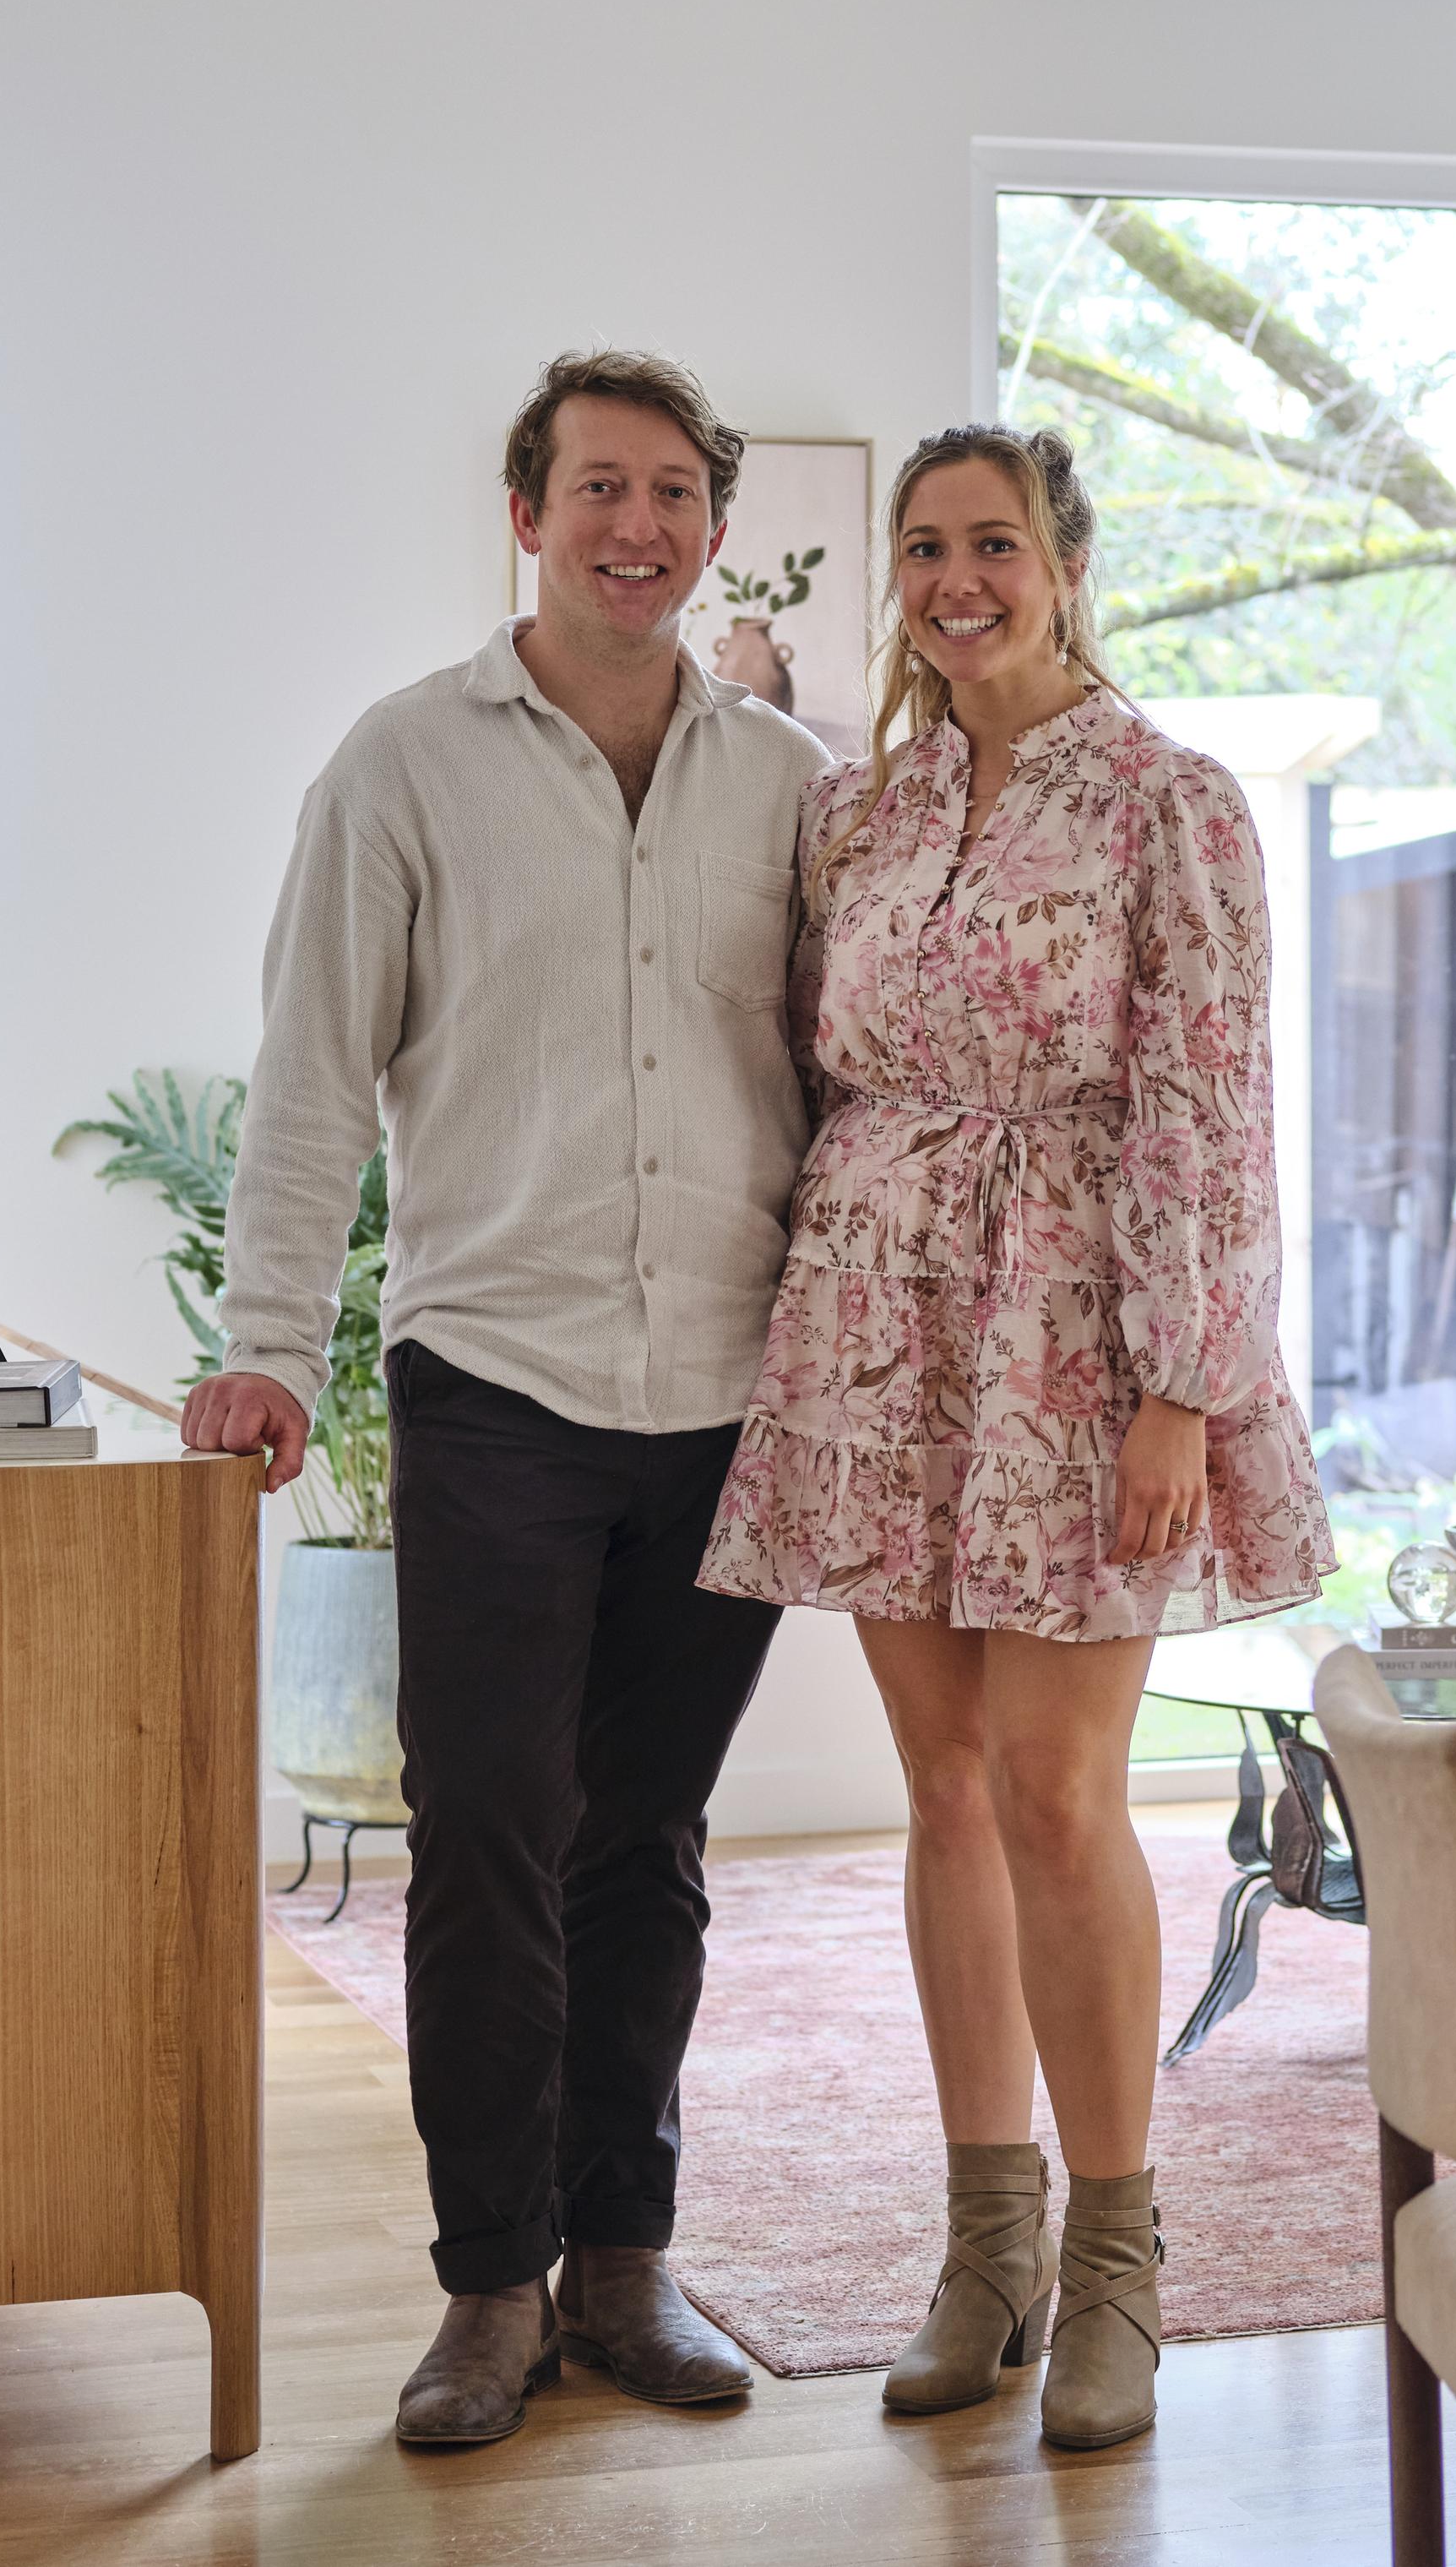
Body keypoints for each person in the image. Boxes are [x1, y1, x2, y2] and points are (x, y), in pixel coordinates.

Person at [187, 350, 823, 2448]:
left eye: (669, 492)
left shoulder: (790, 784)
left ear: (713, 526)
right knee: (484, 1831)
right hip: (497, 1385)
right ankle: (487, 2289)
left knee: (645, 1840)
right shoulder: (401, 766)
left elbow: (841, 1086)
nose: (633, 525)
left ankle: (625, 2268)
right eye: (593, 487)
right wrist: (272, 1337)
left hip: (721, 1392)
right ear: (525, 516)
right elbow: (310, 1084)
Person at [700, 422, 1333, 2453]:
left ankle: (1123, 2265)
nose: (955, 579)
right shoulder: (858, 816)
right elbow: (812, 1071)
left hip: (1079, 1326)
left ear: (1061, 560)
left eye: (992, 543)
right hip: (881, 1323)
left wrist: (1180, 1385)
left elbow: (1212, 1103)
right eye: (922, 547)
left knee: (1063, 1793)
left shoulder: (1171, 802)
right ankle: (987, 2249)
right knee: (946, 1789)